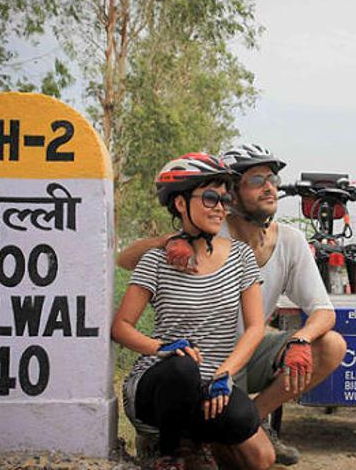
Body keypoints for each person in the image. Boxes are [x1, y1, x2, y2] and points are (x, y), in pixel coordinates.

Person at [118, 144, 347, 466]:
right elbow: (125, 260)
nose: (270, 188)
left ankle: (254, 420)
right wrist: (170, 241)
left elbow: (323, 311)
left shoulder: (289, 241)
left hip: (243, 355)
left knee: (331, 345)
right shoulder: (209, 228)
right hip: (192, 361)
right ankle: (175, 440)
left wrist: (300, 339)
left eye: (272, 179)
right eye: (257, 180)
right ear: (234, 195)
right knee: (219, 445)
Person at [112, 153, 275, 470]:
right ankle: (170, 453)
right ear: (180, 204)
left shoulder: (240, 256)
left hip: (211, 384)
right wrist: (162, 348)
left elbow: (256, 327)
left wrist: (225, 375)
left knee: (261, 457)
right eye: (211, 198)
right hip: (158, 384)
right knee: (183, 367)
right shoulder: (156, 260)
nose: (220, 208)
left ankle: (199, 439)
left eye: (224, 199)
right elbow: (121, 327)